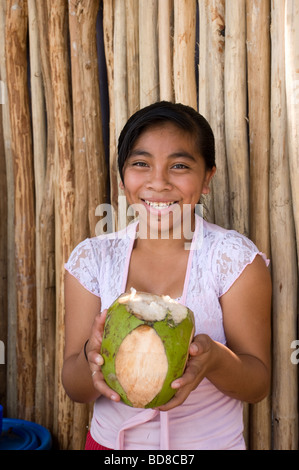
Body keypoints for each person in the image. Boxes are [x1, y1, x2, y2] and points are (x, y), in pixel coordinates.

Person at [62, 101, 271, 450]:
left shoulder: (234, 260)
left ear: (207, 178)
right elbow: (74, 387)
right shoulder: (93, 258)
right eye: (141, 164)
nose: (158, 182)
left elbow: (257, 386)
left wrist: (215, 359)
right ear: (123, 177)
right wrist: (91, 356)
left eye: (179, 166)